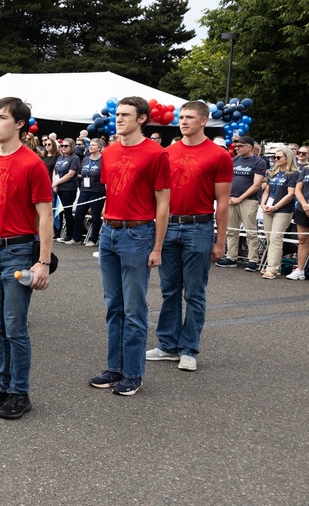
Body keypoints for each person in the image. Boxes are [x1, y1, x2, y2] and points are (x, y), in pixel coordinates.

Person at [0, 97, 52, 420]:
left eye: (2, 118)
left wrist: (42, 262)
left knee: (15, 326)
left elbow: (45, 217)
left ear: (19, 124)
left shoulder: (32, 164)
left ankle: (19, 391)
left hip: (19, 252)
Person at [89, 96, 170, 397]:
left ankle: (133, 374)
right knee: (114, 306)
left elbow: (163, 203)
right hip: (110, 232)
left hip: (138, 234)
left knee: (134, 308)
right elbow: (113, 192)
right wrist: (104, 230)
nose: (119, 119)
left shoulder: (156, 154)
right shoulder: (109, 152)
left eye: (125, 115)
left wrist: (157, 246)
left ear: (142, 119)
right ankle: (115, 368)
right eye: (117, 114)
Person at [148, 101, 233, 372]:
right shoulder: (167, 152)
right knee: (169, 290)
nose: (183, 121)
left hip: (199, 226)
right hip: (169, 225)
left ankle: (189, 349)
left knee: (195, 292)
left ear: (204, 121)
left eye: (190, 117)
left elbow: (223, 200)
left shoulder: (218, 156)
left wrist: (220, 240)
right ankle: (167, 345)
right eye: (181, 117)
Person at [216, 135, 267, 271]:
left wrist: (241, 198)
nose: (237, 148)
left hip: (249, 200)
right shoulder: (234, 160)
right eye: (236, 146)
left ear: (249, 147)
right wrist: (228, 196)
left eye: (240, 146)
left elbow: (256, 184)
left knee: (250, 230)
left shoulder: (258, 162)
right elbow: (227, 179)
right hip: (231, 198)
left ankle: (252, 259)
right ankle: (231, 257)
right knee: (231, 230)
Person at [259, 146, 299, 279]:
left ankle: (272, 268)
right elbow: (267, 190)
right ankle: (274, 264)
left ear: (288, 158)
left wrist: (275, 207)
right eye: (273, 157)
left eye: (278, 157)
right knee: (270, 238)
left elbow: (291, 194)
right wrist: (263, 204)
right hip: (269, 208)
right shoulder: (274, 173)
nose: (275, 159)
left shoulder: (294, 174)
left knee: (276, 238)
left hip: (283, 210)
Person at [71, 138, 105, 246]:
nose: (91, 146)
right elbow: (81, 173)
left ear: (99, 148)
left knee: (95, 217)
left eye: (94, 145)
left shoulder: (103, 160)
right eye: (90, 145)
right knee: (78, 214)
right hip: (84, 190)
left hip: (97, 191)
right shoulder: (86, 159)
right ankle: (76, 238)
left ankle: (93, 239)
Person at [53, 138, 81, 243]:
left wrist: (56, 183)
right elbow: (55, 171)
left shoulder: (75, 158)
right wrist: (54, 184)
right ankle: (57, 233)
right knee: (58, 211)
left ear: (72, 147)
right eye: (62, 146)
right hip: (58, 187)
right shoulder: (60, 158)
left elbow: (70, 174)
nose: (63, 148)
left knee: (67, 212)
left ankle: (69, 235)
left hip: (69, 188)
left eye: (66, 146)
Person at [287, 164, 309, 280]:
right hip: (303, 208)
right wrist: (305, 205)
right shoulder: (305, 169)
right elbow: (298, 190)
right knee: (302, 239)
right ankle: (300, 270)